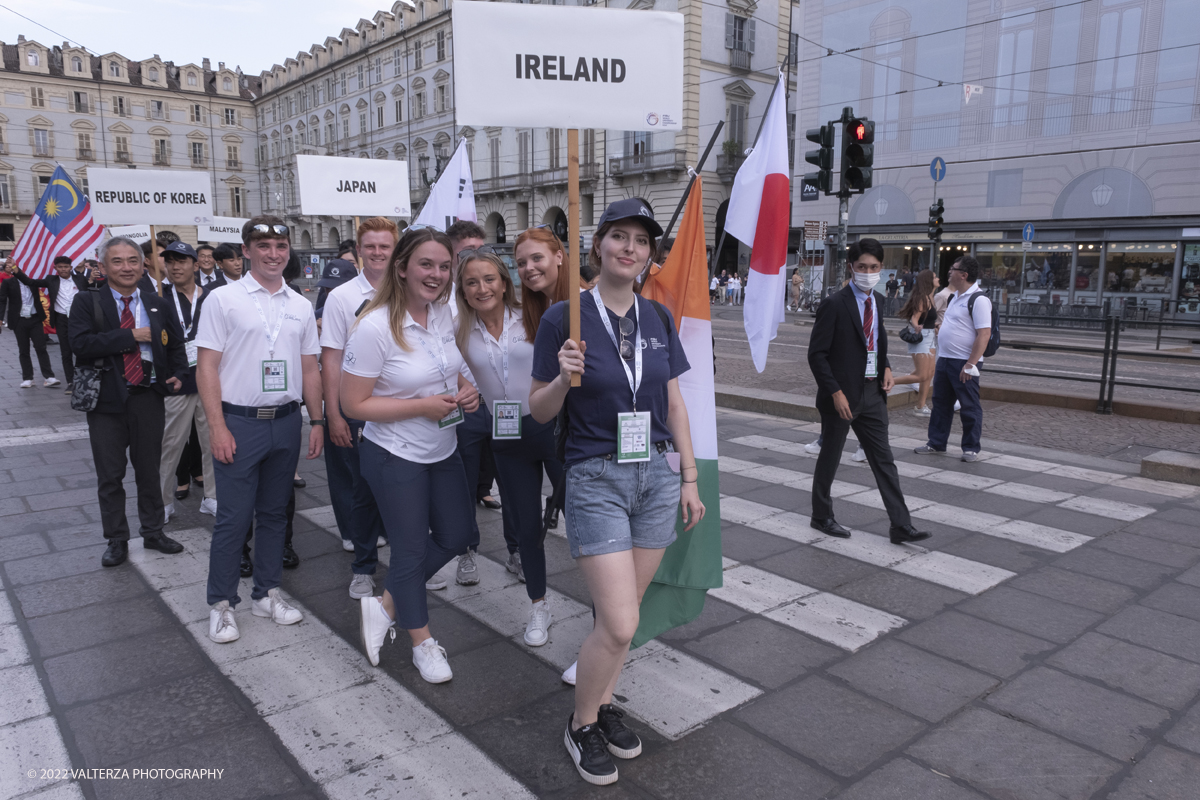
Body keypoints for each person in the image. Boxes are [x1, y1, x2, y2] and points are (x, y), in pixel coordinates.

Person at [529, 199, 704, 786]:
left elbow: (673, 402)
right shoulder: (565, 318)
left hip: (654, 475)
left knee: (620, 613)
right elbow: (538, 409)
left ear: (649, 256)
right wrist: (561, 376)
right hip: (594, 476)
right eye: (619, 237)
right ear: (598, 245)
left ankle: (601, 704)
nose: (630, 248)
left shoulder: (658, 319)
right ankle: (581, 723)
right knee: (622, 621)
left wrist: (689, 477)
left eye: (641, 241)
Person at [343, 228, 480, 682]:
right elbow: (353, 404)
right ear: (401, 267)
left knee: (458, 532)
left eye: (445, 266)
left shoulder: (442, 316)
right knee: (409, 550)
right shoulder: (375, 326)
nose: (437, 274)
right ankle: (422, 642)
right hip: (394, 454)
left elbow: (450, 371)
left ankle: (385, 604)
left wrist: (466, 390)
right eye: (426, 264)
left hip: (443, 447)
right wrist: (421, 406)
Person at [195, 216, 324, 644]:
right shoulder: (223, 299)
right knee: (233, 518)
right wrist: (217, 426)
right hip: (238, 421)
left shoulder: (300, 304)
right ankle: (221, 603)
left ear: (289, 251)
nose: (273, 253)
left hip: (285, 421)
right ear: (246, 251)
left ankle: (266, 592)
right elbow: (207, 366)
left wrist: (317, 419)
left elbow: (309, 367)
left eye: (281, 246)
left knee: (275, 514)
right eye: (263, 245)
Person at [457, 247, 560, 646]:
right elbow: (438, 366)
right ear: (462, 291)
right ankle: (539, 605)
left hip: (549, 427)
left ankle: (604, 610)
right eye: (471, 282)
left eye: (489, 279)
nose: (482, 288)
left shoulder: (536, 316)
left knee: (581, 516)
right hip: (505, 435)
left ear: (505, 282)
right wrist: (465, 390)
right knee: (526, 524)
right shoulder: (458, 330)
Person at [68, 237, 188, 566]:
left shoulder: (157, 303)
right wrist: (130, 336)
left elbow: (176, 345)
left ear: (144, 264)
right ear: (104, 267)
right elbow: (80, 344)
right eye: (118, 261)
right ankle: (117, 539)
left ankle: (153, 531)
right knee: (110, 474)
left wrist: (176, 372)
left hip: (147, 397)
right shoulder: (85, 301)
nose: (126, 267)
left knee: (149, 470)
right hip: (106, 403)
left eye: (133, 260)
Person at [806, 238, 931, 545]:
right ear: (852, 267)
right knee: (831, 456)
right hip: (842, 397)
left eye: (874, 267)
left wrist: (886, 366)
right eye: (862, 267)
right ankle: (821, 515)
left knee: (884, 459)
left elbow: (875, 342)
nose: (868, 272)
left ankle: (900, 525)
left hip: (872, 393)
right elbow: (816, 354)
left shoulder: (876, 300)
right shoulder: (834, 304)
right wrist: (835, 393)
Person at [320, 217, 394, 598]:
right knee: (361, 489)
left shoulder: (411, 289)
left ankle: (408, 563)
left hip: (401, 408)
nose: (378, 252)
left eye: (385, 246)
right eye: (371, 246)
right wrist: (333, 413)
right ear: (360, 250)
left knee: (401, 489)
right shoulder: (342, 296)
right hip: (357, 409)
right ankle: (363, 566)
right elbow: (330, 359)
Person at [444, 220, 507, 586]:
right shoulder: (441, 304)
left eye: (483, 251)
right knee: (464, 484)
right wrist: (462, 385)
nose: (476, 260)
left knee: (512, 480)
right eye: (467, 253)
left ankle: (516, 549)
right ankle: (467, 552)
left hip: (505, 408)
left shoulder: (500, 298)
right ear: (453, 257)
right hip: (465, 407)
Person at [515, 226, 574, 538]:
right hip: (559, 426)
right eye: (521, 263)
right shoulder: (543, 308)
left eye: (537, 258)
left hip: (586, 435)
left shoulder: (581, 303)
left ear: (559, 256)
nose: (528, 268)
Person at [156, 241, 218, 522]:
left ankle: (212, 497)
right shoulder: (158, 298)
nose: (175, 266)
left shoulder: (215, 297)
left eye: (182, 261)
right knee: (171, 444)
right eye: (170, 261)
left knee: (213, 440)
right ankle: (163, 501)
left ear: (196, 264)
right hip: (177, 383)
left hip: (211, 380)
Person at [916, 255, 992, 462]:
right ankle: (936, 443)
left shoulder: (979, 300)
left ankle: (970, 448)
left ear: (964, 275)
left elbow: (984, 334)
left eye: (953, 269)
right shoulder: (954, 297)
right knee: (941, 403)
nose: (949, 272)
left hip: (963, 362)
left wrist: (970, 364)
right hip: (946, 358)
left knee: (968, 405)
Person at [8, 255, 85, 391]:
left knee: (83, 350)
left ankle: (84, 379)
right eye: (60, 267)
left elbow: (96, 288)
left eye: (66, 267)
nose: (63, 269)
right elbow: (29, 281)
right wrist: (15, 267)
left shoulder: (81, 279)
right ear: (55, 268)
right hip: (61, 320)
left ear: (70, 268)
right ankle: (71, 382)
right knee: (66, 352)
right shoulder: (51, 280)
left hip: (80, 319)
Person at [1, 258, 60, 389]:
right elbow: (2, 300)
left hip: (35, 319)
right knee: (24, 350)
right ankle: (28, 378)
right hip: (19, 320)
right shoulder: (8, 282)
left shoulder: (32, 283)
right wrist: (0, 317)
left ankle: (49, 376)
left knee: (41, 347)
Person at [889, 269, 939, 416]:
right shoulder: (923, 298)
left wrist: (935, 326)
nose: (938, 279)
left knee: (929, 373)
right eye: (935, 277)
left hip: (930, 337)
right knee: (922, 376)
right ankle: (889, 382)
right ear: (928, 281)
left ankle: (920, 406)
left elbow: (928, 319)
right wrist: (916, 326)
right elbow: (915, 317)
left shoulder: (931, 297)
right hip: (921, 337)